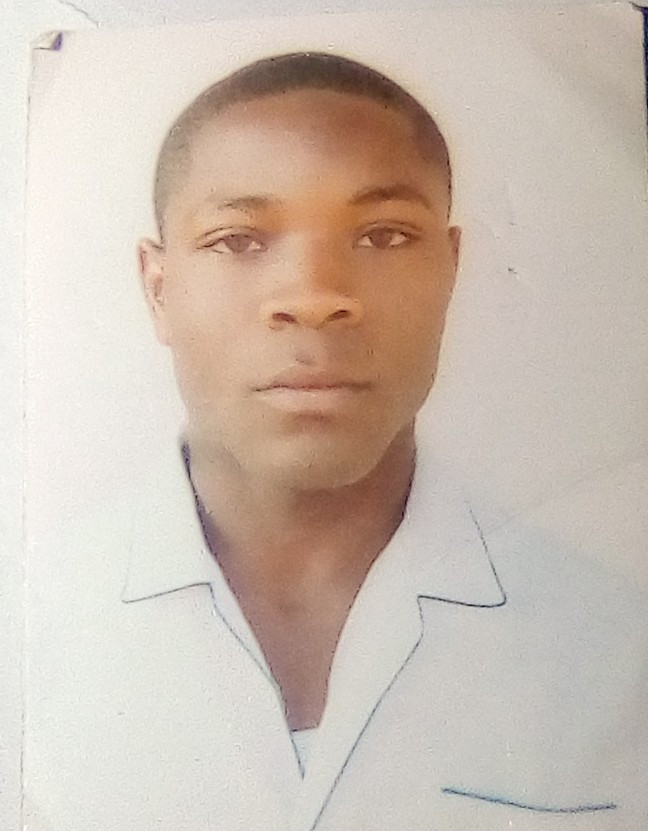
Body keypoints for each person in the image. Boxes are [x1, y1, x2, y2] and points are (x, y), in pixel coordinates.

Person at [25, 52, 648, 830]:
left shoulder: (619, 652)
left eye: (383, 235)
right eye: (238, 240)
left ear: (451, 270)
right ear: (159, 288)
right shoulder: (31, 627)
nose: (315, 296)